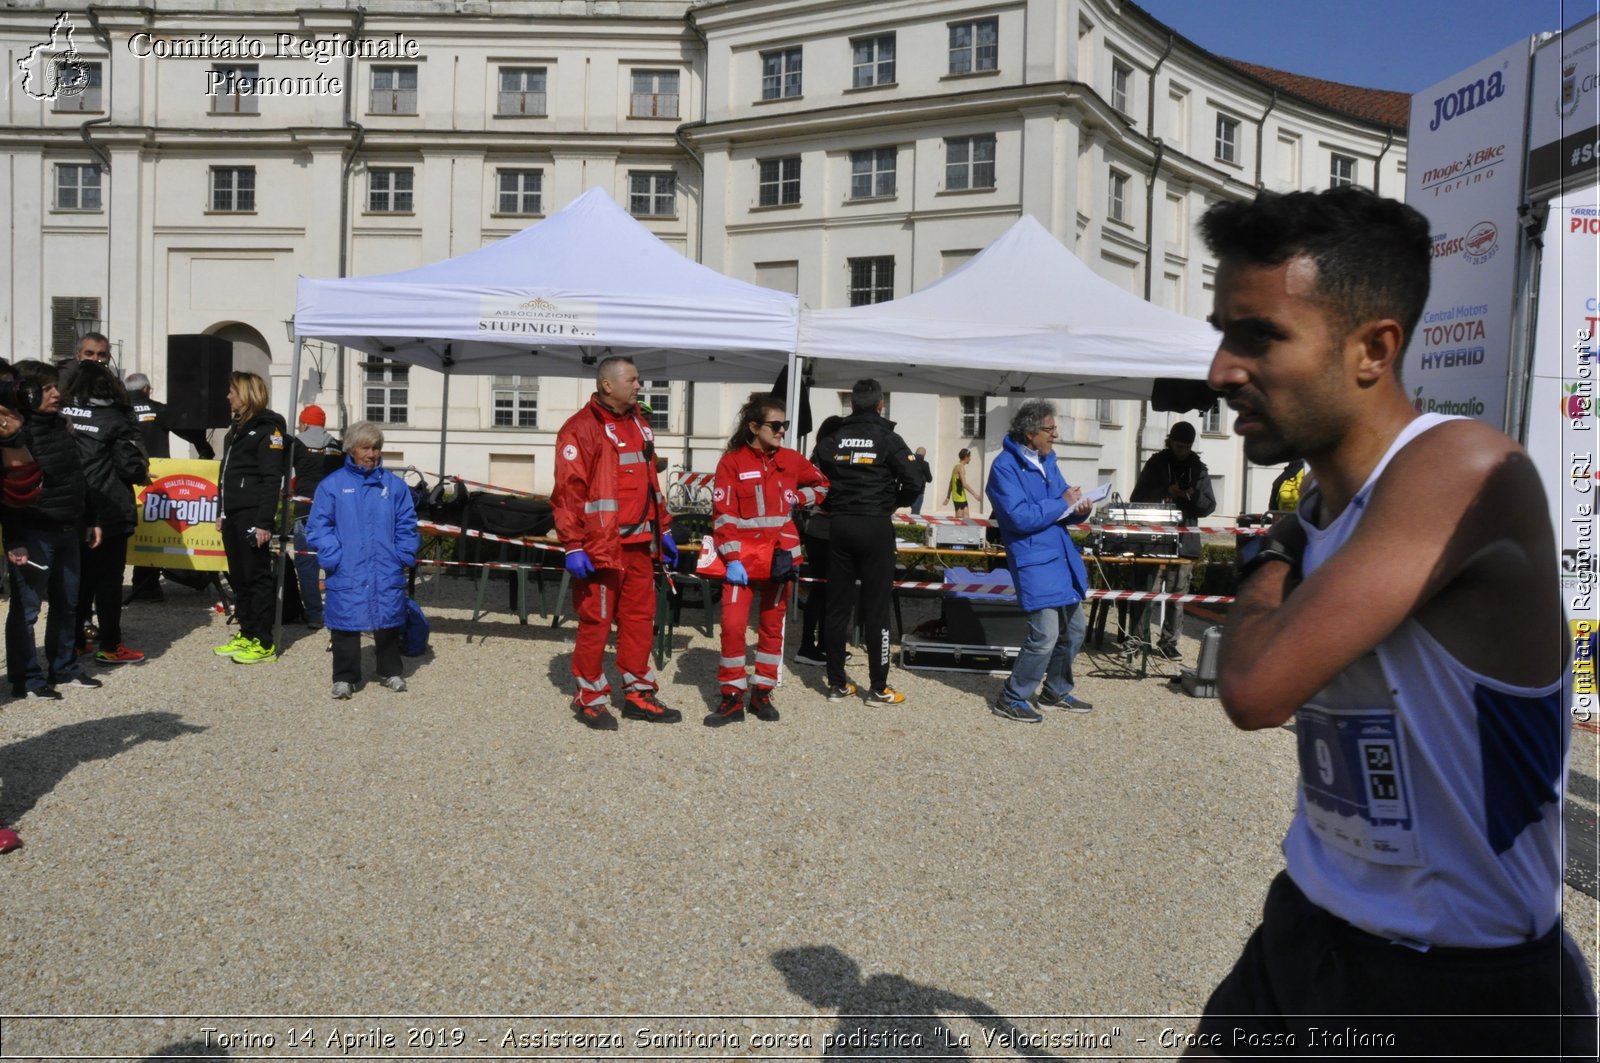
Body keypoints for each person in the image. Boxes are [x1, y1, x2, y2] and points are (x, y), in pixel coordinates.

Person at [1187, 186, 1594, 1056]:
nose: (1221, 369)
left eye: (1259, 336)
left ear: (1374, 348)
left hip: (1457, 993)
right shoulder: (1325, 510)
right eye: (1224, 331)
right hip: (1306, 927)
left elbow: (1257, 687)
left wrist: (1266, 557)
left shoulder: (1464, 467)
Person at [551, 354, 680, 730]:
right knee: (596, 622)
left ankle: (639, 693)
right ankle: (590, 698)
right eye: (633, 380)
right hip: (600, 549)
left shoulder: (640, 424)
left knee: (640, 620)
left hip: (641, 545)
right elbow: (567, 493)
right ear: (608, 385)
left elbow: (651, 484)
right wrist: (573, 545)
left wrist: (665, 528)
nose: (640, 386)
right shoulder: (580, 429)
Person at [705, 393, 827, 727]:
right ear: (754, 426)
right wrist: (730, 557)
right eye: (776, 425)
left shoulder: (791, 459)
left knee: (773, 629)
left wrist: (800, 497)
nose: (782, 431)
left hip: (779, 559)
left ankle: (762, 692)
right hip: (741, 561)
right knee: (731, 627)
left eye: (784, 425)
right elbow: (723, 515)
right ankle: (731, 697)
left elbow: (824, 485)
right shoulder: (731, 462)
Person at [985, 400, 1095, 722]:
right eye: (1050, 429)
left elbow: (1059, 507)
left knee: (1074, 630)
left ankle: (1055, 690)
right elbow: (1018, 517)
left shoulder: (1048, 461)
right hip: (1033, 559)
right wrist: (1060, 503)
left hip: (1060, 555)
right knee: (1044, 635)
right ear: (1030, 432)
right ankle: (1012, 696)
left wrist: (1080, 508)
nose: (1055, 435)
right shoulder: (1004, 467)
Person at [813, 378, 920, 705]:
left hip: (840, 525)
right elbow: (916, 480)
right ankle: (878, 687)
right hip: (875, 526)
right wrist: (893, 502)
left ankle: (836, 684)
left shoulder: (832, 438)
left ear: (850, 405)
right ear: (880, 405)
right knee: (876, 610)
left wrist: (834, 505)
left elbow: (813, 477)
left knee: (836, 607)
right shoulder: (890, 439)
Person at [3, 361, 104, 700]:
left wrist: (90, 519)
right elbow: (10, 492)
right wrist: (15, 541)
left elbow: (79, 477)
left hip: (69, 530)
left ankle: (63, 668)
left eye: (56, 387)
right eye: (47, 389)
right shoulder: (16, 435)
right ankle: (26, 679)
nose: (56, 393)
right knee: (27, 611)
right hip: (34, 533)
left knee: (68, 605)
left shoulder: (62, 425)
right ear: (28, 393)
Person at [306, 421, 419, 699]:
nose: (372, 454)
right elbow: (319, 526)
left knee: (388, 618)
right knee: (344, 620)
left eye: (376, 448)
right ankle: (345, 677)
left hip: (385, 564)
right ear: (351, 449)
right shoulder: (332, 485)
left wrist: (403, 554)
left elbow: (407, 523)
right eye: (365, 448)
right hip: (348, 565)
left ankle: (390, 670)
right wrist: (333, 555)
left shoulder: (394, 486)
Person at [61, 361, 149, 665]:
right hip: (109, 508)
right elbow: (130, 465)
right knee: (109, 582)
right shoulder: (115, 418)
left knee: (80, 578)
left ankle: (74, 641)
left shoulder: (63, 413)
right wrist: (142, 470)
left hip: (73, 506)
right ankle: (111, 644)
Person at [211, 371, 287, 665]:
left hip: (253, 515)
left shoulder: (269, 429)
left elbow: (271, 479)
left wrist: (264, 522)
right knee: (239, 577)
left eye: (232, 391)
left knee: (256, 578)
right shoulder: (236, 429)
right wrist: (222, 511)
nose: (228, 396)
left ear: (247, 394)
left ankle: (263, 642)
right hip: (233, 514)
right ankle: (247, 631)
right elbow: (226, 473)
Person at [124, 371, 216, 603]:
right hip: (154, 478)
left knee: (127, 533)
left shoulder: (118, 410)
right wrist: (204, 447)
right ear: (146, 390)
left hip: (126, 476)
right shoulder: (158, 409)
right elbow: (186, 428)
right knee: (152, 530)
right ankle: (147, 584)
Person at [1128, 420, 1215, 660]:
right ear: (1170, 442)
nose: (1183, 452)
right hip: (1154, 539)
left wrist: (1191, 494)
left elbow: (1208, 506)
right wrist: (1167, 491)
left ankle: (1169, 642)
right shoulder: (1156, 464)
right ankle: (1138, 639)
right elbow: (1138, 497)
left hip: (1185, 539)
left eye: (1187, 447)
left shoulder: (1199, 469)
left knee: (1177, 596)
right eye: (1179, 446)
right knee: (1148, 592)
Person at [793, 414, 844, 668]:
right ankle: (807, 645)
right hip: (820, 530)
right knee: (820, 590)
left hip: (823, 530)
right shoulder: (821, 460)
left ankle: (824, 644)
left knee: (827, 590)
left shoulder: (820, 457)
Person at [289, 405, 343, 630]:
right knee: (334, 564)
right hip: (333, 513)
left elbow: (285, 475)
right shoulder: (337, 446)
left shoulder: (295, 443)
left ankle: (314, 615)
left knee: (306, 564)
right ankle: (337, 613)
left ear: (304, 422)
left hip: (304, 511)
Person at [56, 331, 110, 398]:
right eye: (89, 354)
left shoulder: (112, 381)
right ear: (78, 356)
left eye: (101, 355)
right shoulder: (66, 375)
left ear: (109, 358)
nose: (95, 359)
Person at [943, 448, 978, 517]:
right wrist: (975, 495)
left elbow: (951, 483)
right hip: (959, 497)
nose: (970, 459)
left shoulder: (955, 466)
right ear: (966, 457)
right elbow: (964, 484)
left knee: (966, 519)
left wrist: (948, 496)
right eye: (970, 457)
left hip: (961, 497)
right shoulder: (961, 467)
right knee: (960, 522)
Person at [906, 446, 934, 515]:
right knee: (915, 514)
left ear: (916, 452)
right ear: (924, 455)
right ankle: (912, 526)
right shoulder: (925, 464)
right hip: (918, 492)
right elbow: (929, 479)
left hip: (907, 490)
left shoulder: (910, 460)